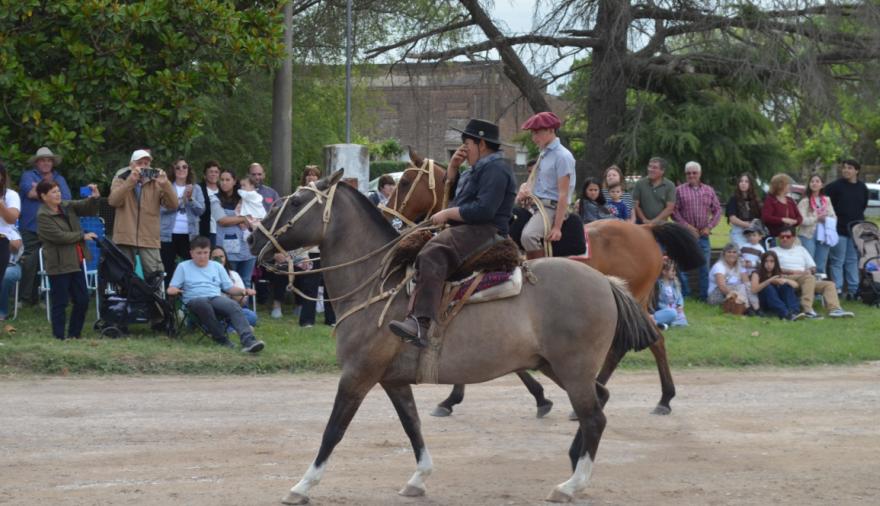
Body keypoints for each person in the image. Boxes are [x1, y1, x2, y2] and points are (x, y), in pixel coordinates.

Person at [389, 118, 517, 346]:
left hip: (486, 230)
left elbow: (484, 210)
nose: (463, 148)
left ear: (481, 144)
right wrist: (453, 170)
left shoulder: (496, 169)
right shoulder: (480, 168)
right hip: (471, 227)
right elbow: (463, 196)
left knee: (432, 253)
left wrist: (448, 214)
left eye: (467, 142)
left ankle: (421, 323)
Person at [167, 236, 264, 352]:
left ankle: (249, 341)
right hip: (194, 300)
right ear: (191, 253)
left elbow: (229, 288)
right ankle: (222, 339)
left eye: (205, 253)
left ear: (209, 252)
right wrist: (173, 290)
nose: (202, 256)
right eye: (198, 253)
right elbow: (172, 287)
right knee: (203, 303)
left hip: (214, 297)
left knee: (232, 305)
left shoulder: (216, 266)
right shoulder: (183, 266)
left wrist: (243, 291)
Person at [36, 180, 101, 340]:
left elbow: (86, 207)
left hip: (76, 260)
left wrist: (94, 198)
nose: (58, 194)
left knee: (82, 300)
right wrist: (82, 236)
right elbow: (58, 236)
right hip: (58, 263)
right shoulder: (43, 215)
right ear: (43, 196)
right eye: (53, 192)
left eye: (58, 191)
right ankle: (59, 337)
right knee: (60, 302)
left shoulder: (66, 205)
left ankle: (74, 334)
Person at [109, 149, 178, 279]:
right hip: (125, 236)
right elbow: (113, 201)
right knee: (123, 275)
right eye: (140, 163)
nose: (143, 166)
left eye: (146, 163)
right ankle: (126, 299)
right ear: (131, 165)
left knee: (155, 275)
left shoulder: (156, 181)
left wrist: (166, 184)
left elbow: (173, 205)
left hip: (149, 237)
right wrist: (130, 181)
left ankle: (153, 299)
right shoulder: (121, 177)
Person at [516, 111, 576, 259]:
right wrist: (525, 189)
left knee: (528, 236)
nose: (534, 138)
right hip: (536, 205)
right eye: (532, 133)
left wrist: (557, 227)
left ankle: (542, 274)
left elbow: (564, 193)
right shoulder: (543, 153)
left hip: (550, 208)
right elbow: (536, 181)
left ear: (551, 130)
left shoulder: (562, 156)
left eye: (537, 133)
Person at [18, 147, 72, 305]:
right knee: (29, 262)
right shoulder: (28, 175)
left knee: (53, 263)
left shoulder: (59, 178)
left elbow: (66, 199)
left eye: (49, 160)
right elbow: (30, 194)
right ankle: (26, 298)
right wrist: (52, 192)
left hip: (52, 227)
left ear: (53, 163)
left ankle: (47, 297)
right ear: (36, 162)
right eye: (42, 160)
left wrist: (40, 188)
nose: (46, 163)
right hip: (30, 226)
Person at [770, 226, 854, 318]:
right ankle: (807, 309)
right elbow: (772, 269)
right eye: (782, 237)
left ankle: (834, 309)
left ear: (794, 238)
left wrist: (809, 270)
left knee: (829, 284)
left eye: (788, 237)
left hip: (805, 279)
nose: (784, 239)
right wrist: (793, 271)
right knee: (809, 278)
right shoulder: (773, 251)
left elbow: (813, 267)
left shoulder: (801, 249)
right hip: (786, 278)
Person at [672, 161, 722, 301]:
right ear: (685, 174)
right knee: (682, 267)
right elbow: (674, 212)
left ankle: (703, 295)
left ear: (700, 174)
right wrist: (686, 226)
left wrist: (709, 226)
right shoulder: (679, 190)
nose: (691, 175)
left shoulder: (708, 190)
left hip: (703, 234)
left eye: (694, 173)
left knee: (704, 267)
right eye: (688, 173)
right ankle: (686, 293)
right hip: (685, 235)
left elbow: (717, 210)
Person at [293, 168, 335, 327]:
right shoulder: (299, 194)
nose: (311, 177)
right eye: (308, 175)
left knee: (329, 284)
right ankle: (306, 320)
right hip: (307, 248)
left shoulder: (326, 195)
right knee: (309, 284)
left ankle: (331, 318)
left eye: (315, 175)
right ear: (304, 178)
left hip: (325, 247)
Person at [825, 159, 870, 300]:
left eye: (849, 168)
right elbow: (825, 203)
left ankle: (853, 290)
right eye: (844, 168)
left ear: (857, 170)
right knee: (837, 260)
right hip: (838, 230)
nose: (846, 170)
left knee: (852, 260)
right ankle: (837, 289)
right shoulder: (834, 187)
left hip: (856, 231)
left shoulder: (862, 188)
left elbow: (862, 206)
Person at [159, 158, 205, 285]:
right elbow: (160, 209)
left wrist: (190, 199)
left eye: (184, 167)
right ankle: (168, 298)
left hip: (190, 235)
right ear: (173, 170)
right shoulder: (165, 186)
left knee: (191, 268)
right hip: (167, 234)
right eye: (178, 167)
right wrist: (180, 201)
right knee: (167, 268)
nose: (181, 170)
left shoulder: (196, 188)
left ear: (188, 169)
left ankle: (189, 296)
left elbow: (201, 210)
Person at [211, 169, 256, 287]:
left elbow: (256, 215)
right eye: (222, 180)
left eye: (227, 180)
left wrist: (247, 218)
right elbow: (222, 221)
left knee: (246, 282)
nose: (224, 182)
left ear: (234, 181)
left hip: (248, 248)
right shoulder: (215, 199)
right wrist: (243, 219)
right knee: (230, 282)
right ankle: (230, 306)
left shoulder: (245, 197)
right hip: (227, 250)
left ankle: (244, 305)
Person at [797, 173, 836, 276]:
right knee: (809, 263)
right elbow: (801, 220)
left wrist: (827, 219)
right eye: (812, 181)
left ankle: (819, 289)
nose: (814, 183)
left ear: (822, 185)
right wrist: (816, 218)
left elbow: (833, 217)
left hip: (824, 234)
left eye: (817, 181)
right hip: (808, 235)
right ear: (809, 184)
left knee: (821, 263)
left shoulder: (826, 200)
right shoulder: (805, 201)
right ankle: (808, 287)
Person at [210, 245, 257, 328]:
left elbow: (241, 303)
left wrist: (233, 288)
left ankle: (228, 327)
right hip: (213, 310)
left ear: (226, 258)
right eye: (215, 257)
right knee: (208, 318)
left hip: (231, 310)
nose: (219, 260)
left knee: (251, 316)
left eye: (221, 256)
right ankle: (232, 327)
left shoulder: (233, 275)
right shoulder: (205, 275)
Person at [750, 251, 804, 321]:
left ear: (775, 263)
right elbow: (754, 290)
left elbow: (796, 285)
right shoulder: (756, 273)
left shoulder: (777, 272)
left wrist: (785, 280)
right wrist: (770, 281)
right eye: (766, 261)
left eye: (772, 261)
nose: (769, 264)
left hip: (776, 300)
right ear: (762, 262)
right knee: (768, 287)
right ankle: (785, 314)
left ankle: (794, 312)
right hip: (764, 302)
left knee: (786, 286)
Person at [707, 243, 759, 315]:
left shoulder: (740, 265)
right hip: (717, 295)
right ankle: (746, 308)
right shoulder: (719, 266)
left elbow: (746, 283)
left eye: (734, 252)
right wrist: (737, 296)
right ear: (724, 254)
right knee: (740, 287)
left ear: (738, 254)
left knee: (746, 286)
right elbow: (722, 287)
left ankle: (756, 308)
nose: (732, 254)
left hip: (736, 292)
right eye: (729, 252)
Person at [632, 157, 676, 225]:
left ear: (662, 171)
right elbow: (635, 205)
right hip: (641, 224)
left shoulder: (670, 185)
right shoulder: (640, 184)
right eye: (649, 166)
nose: (650, 169)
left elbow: (669, 208)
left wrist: (654, 221)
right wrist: (644, 220)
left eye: (654, 167)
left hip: (661, 225)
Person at [725, 173, 763, 247]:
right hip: (739, 232)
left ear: (750, 184)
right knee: (742, 254)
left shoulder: (755, 200)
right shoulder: (734, 199)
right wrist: (747, 225)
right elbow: (732, 219)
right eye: (741, 181)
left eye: (746, 181)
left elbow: (760, 217)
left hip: (753, 233)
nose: (743, 183)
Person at [761, 173, 802, 238]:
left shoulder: (790, 200)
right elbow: (766, 218)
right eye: (788, 184)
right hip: (776, 238)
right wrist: (782, 220)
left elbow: (800, 217)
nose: (790, 186)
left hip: (790, 238)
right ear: (780, 185)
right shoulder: (770, 200)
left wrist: (795, 221)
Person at [653, 259, 688, 330]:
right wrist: (668, 307)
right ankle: (654, 322)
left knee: (678, 315)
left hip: (674, 308)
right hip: (663, 310)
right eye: (672, 271)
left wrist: (680, 305)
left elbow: (680, 297)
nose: (674, 273)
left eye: (675, 271)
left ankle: (662, 323)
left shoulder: (675, 283)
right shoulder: (658, 285)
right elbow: (657, 302)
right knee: (672, 312)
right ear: (664, 272)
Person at [198, 160, 221, 246]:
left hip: (221, 230)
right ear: (205, 175)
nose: (213, 174)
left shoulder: (223, 189)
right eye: (211, 172)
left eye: (216, 172)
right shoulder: (199, 189)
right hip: (206, 230)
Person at [235, 175, 266, 242]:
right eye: (241, 185)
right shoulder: (248, 195)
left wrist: (238, 190)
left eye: (244, 185)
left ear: (252, 186)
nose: (242, 187)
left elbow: (241, 193)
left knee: (255, 228)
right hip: (250, 216)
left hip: (255, 216)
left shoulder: (252, 194)